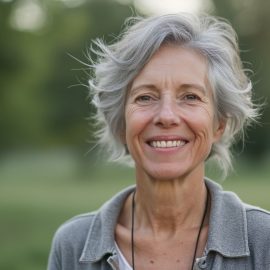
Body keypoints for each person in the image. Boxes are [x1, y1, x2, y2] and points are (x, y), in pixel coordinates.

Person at [47, 13, 270, 270]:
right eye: (145, 97)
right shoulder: (72, 245)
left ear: (219, 124)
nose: (166, 116)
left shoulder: (263, 242)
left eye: (190, 96)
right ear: (121, 124)